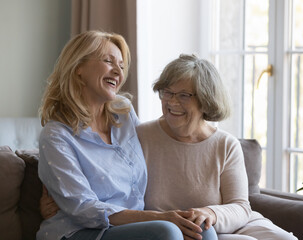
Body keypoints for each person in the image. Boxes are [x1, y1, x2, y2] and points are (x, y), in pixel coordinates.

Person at [37, 30, 217, 240]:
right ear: (78, 67)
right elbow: (83, 209)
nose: (118, 71)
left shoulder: (123, 112)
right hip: (81, 231)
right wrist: (160, 217)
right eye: (108, 61)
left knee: (201, 228)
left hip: (134, 227)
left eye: (121, 66)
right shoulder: (56, 135)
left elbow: (157, 140)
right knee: (165, 231)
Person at [136, 54, 298, 240]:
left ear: (205, 100)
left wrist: (210, 213)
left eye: (183, 95)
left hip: (229, 223)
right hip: (182, 231)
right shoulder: (142, 137)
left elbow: (240, 206)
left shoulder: (225, 144)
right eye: (167, 92)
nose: (172, 102)